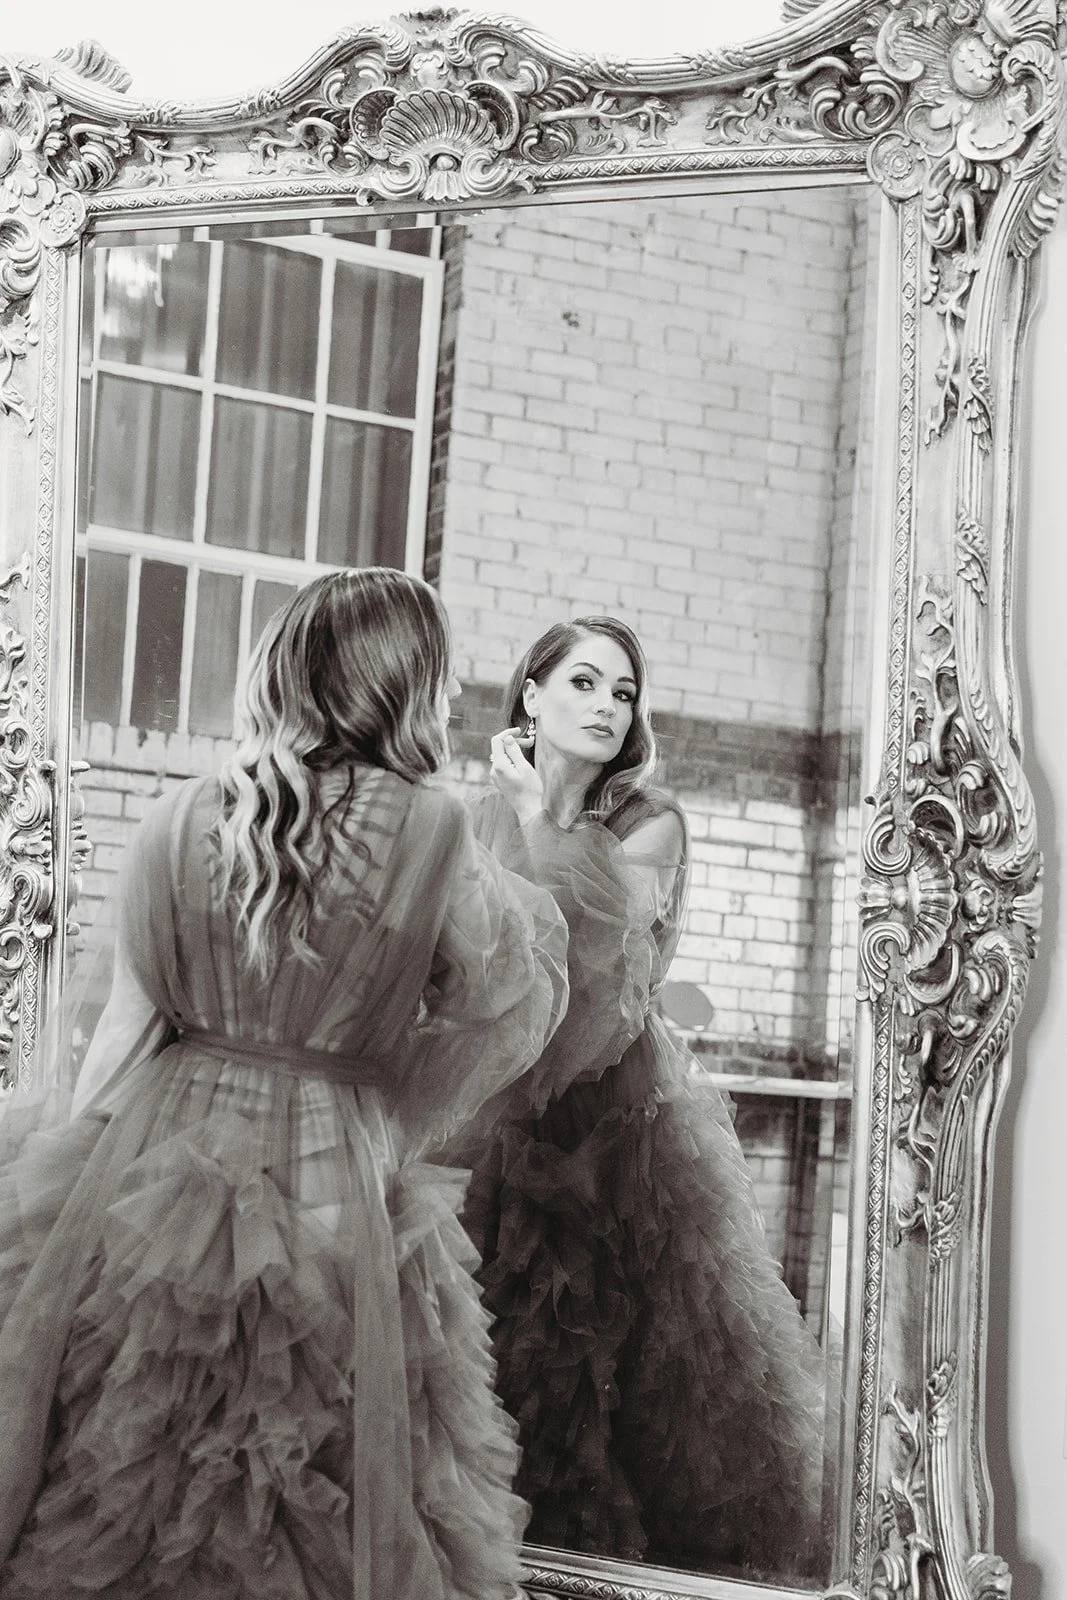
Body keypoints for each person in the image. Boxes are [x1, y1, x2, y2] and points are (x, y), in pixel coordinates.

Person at [0, 567, 570, 1600]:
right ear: (404, 679)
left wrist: (63, 1218)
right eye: (442, 673)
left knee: (141, 1466)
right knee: (302, 1479)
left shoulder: (184, 814)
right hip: (327, 1172)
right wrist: (379, 1061)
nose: (449, 694)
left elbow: (121, 1037)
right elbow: (498, 999)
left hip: (152, 1172)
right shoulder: (431, 830)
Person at [447, 616, 831, 1582]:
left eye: (622, 692)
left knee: (619, 1376)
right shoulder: (475, 815)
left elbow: (599, 969)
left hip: (612, 1123)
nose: (606, 707)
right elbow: (473, 968)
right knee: (481, 1356)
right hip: (492, 1110)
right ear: (530, 693)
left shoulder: (650, 820)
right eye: (582, 682)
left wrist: (535, 817)